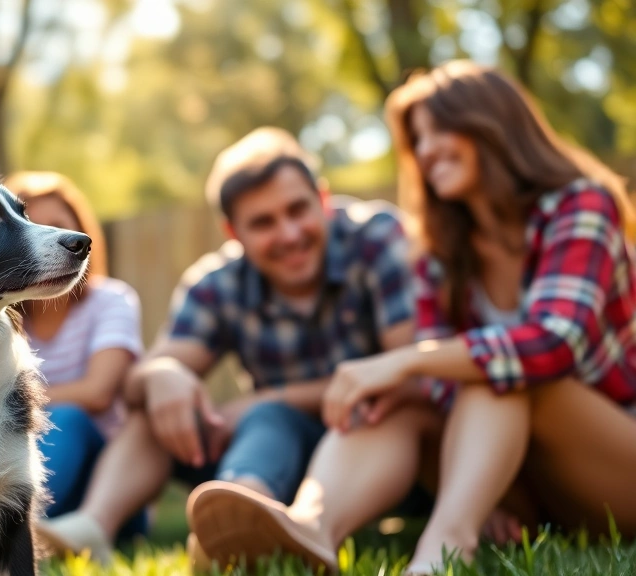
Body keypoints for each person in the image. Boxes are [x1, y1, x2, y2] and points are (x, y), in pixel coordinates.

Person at [187, 61, 636, 574]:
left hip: (616, 463)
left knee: (499, 371)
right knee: (391, 401)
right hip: (528, 482)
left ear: (493, 124)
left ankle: (443, 550)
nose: (426, 151)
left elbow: (554, 344)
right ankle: (312, 525)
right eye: (418, 140)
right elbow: (444, 390)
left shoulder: (579, 206)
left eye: (441, 131)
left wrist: (405, 362)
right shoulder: (440, 246)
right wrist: (407, 386)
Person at [34, 127, 417, 565]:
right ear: (233, 231)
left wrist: (271, 400)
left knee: (272, 414)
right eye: (263, 223)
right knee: (161, 402)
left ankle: (232, 527)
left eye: (298, 210)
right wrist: (165, 376)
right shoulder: (216, 282)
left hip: (371, 442)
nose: (289, 233)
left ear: (323, 201)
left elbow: (406, 371)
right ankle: (94, 526)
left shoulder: (376, 239)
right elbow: (140, 380)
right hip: (272, 450)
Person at [3, 172, 146, 536]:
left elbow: (97, 394)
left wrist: (7, 401)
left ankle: (16, 537)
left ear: (81, 235)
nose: (49, 239)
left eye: (59, 226)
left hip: (107, 484)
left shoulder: (111, 301)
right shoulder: (2, 319)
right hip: (26, 468)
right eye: (32, 225)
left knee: (69, 417)